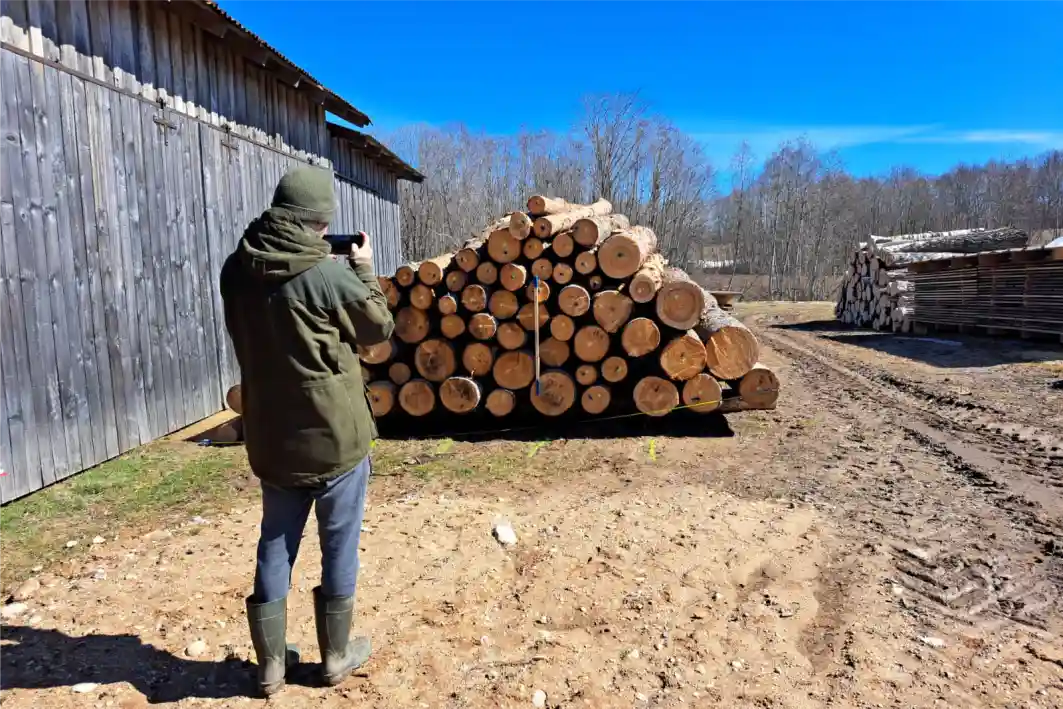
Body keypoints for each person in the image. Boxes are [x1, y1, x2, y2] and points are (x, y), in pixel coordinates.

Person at [219, 166, 394, 696]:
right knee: (339, 545)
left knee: (275, 544)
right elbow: (377, 330)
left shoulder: (235, 270)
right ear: (320, 222)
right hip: (336, 439)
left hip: (272, 437)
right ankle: (335, 657)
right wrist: (364, 270)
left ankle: (271, 666)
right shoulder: (328, 273)